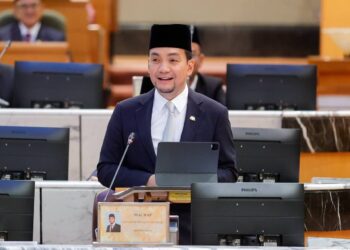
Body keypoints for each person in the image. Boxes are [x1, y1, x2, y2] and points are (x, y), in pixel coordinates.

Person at [97, 24, 237, 244]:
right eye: (155, 59)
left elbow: (229, 173)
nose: (163, 68)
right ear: (148, 64)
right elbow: (106, 170)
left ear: (190, 66)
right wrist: (148, 181)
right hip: (137, 225)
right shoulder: (126, 111)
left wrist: (193, 182)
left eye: (173, 60)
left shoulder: (214, 113)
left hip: (194, 227)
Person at [188, 26, 226, 105]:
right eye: (183, 56)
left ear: (201, 60)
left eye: (192, 55)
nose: (188, 60)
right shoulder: (165, 85)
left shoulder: (213, 87)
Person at [0, 0, 65, 42]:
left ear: (42, 8)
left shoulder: (57, 38)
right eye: (24, 6)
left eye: (34, 6)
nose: (29, 11)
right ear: (15, 10)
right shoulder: (2, 36)